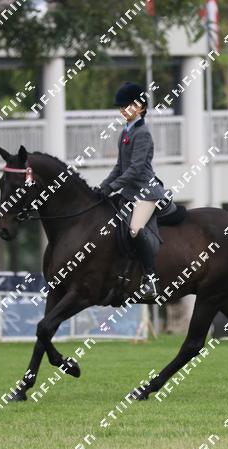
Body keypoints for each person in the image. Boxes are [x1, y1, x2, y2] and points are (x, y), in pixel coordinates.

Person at [97, 82, 169, 301]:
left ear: (141, 107)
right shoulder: (125, 132)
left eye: (127, 106)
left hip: (146, 192)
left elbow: (135, 169)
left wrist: (113, 187)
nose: (123, 110)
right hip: (129, 192)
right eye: (121, 106)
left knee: (135, 229)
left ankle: (151, 280)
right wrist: (103, 186)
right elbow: (120, 166)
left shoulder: (143, 134)